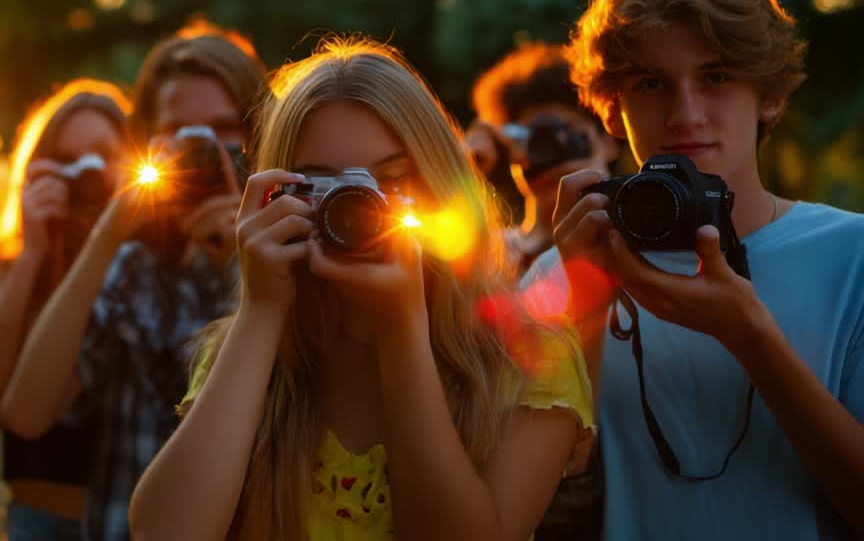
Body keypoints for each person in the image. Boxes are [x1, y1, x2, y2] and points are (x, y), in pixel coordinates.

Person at [129, 38, 593, 540]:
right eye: (322, 186)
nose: (358, 208)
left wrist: (402, 333)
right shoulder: (245, 351)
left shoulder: (530, 362)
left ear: (441, 186)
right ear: (272, 197)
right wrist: (260, 311)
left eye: (390, 181)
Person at [545, 0, 864, 538]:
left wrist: (750, 334)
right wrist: (582, 307)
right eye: (651, 83)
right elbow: (535, 498)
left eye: (715, 77)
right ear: (613, 110)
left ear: (769, 96)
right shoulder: (561, 268)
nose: (685, 114)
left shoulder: (853, 256)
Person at [2, 21, 267, 540]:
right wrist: (109, 235)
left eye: (223, 126)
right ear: (148, 139)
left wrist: (243, 263)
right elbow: (26, 414)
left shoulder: (287, 260)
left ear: (260, 132)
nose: (199, 147)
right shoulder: (135, 268)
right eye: (177, 131)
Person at [0, 79, 132, 540]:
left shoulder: (150, 274)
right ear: (36, 175)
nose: (89, 174)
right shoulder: (0, 278)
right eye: (69, 162)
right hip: (39, 522)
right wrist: (32, 256)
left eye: (103, 156)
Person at [467, 43, 620, 274]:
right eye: (535, 139)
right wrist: (459, 165)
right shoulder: (489, 255)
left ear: (608, 142)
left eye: (567, 133)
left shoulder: (637, 242)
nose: (549, 152)